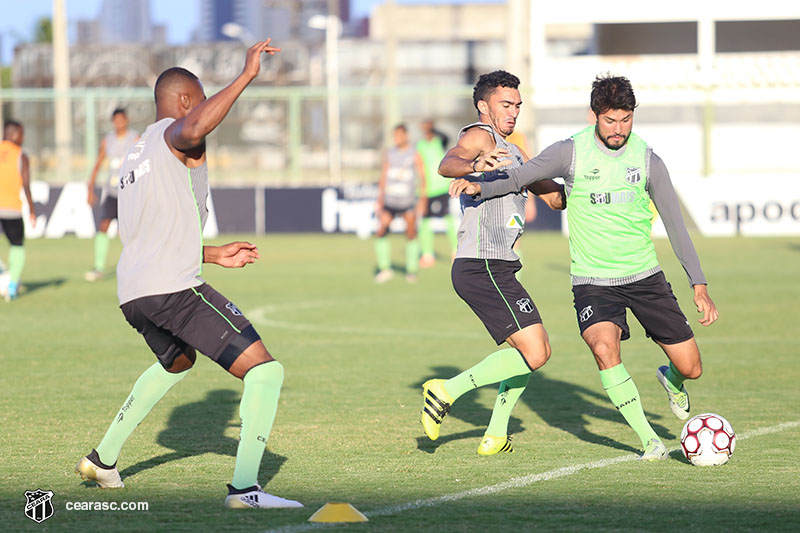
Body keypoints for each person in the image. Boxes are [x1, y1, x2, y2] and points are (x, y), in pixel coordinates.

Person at [75, 39, 304, 509]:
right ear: (183, 103)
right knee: (265, 371)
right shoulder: (173, 133)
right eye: (199, 101)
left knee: (178, 361)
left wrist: (215, 254)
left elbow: (155, 231)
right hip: (173, 288)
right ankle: (245, 491)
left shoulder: (136, 154)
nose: (204, 114)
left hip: (134, 292)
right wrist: (245, 77)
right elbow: (196, 124)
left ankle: (104, 458)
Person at [449, 74, 719, 461]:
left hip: (645, 277)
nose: (618, 129)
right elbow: (521, 176)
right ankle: (650, 441)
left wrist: (699, 283)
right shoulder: (569, 152)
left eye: (626, 120)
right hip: (593, 282)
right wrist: (480, 186)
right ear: (595, 115)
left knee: (691, 367)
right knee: (604, 347)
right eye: (611, 120)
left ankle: (671, 378)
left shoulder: (647, 160)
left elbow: (676, 225)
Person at [420, 71, 564, 455]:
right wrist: (476, 164)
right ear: (484, 106)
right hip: (481, 263)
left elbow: (554, 199)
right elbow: (449, 163)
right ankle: (446, 391)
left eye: (518, 105)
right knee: (536, 351)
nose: (514, 112)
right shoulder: (481, 136)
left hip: (499, 266)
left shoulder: (514, 151)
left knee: (528, 351)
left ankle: (496, 435)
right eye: (506, 104)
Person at [85, 108, 139, 281]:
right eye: (115, 120)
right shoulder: (108, 140)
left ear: (127, 120)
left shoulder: (135, 138)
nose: (119, 123)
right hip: (111, 192)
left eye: (121, 119)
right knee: (103, 226)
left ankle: (136, 266)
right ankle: (99, 267)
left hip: (130, 192)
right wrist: (90, 188)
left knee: (131, 231)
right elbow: (98, 164)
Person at [374, 123, 427, 283]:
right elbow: (383, 176)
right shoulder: (389, 153)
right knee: (381, 230)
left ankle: (411, 271)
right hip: (390, 201)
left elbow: (422, 177)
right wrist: (379, 200)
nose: (396, 139)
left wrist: (422, 200)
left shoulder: (414, 154)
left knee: (410, 233)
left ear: (406, 136)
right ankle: (384, 269)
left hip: (407, 201)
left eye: (399, 135)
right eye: (394, 136)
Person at [0, 120, 36, 302]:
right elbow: (26, 185)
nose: (23, 138)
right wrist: (32, 210)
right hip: (11, 209)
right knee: (17, 245)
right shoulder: (21, 155)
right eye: (21, 134)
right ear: (14, 134)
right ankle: (12, 286)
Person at [416, 119, 457, 267]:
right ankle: (427, 255)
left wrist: (433, 129)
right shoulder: (420, 146)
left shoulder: (439, 141)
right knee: (425, 219)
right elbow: (420, 167)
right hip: (428, 189)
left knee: (447, 217)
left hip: (442, 186)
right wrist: (422, 188)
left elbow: (447, 137)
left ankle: (456, 250)